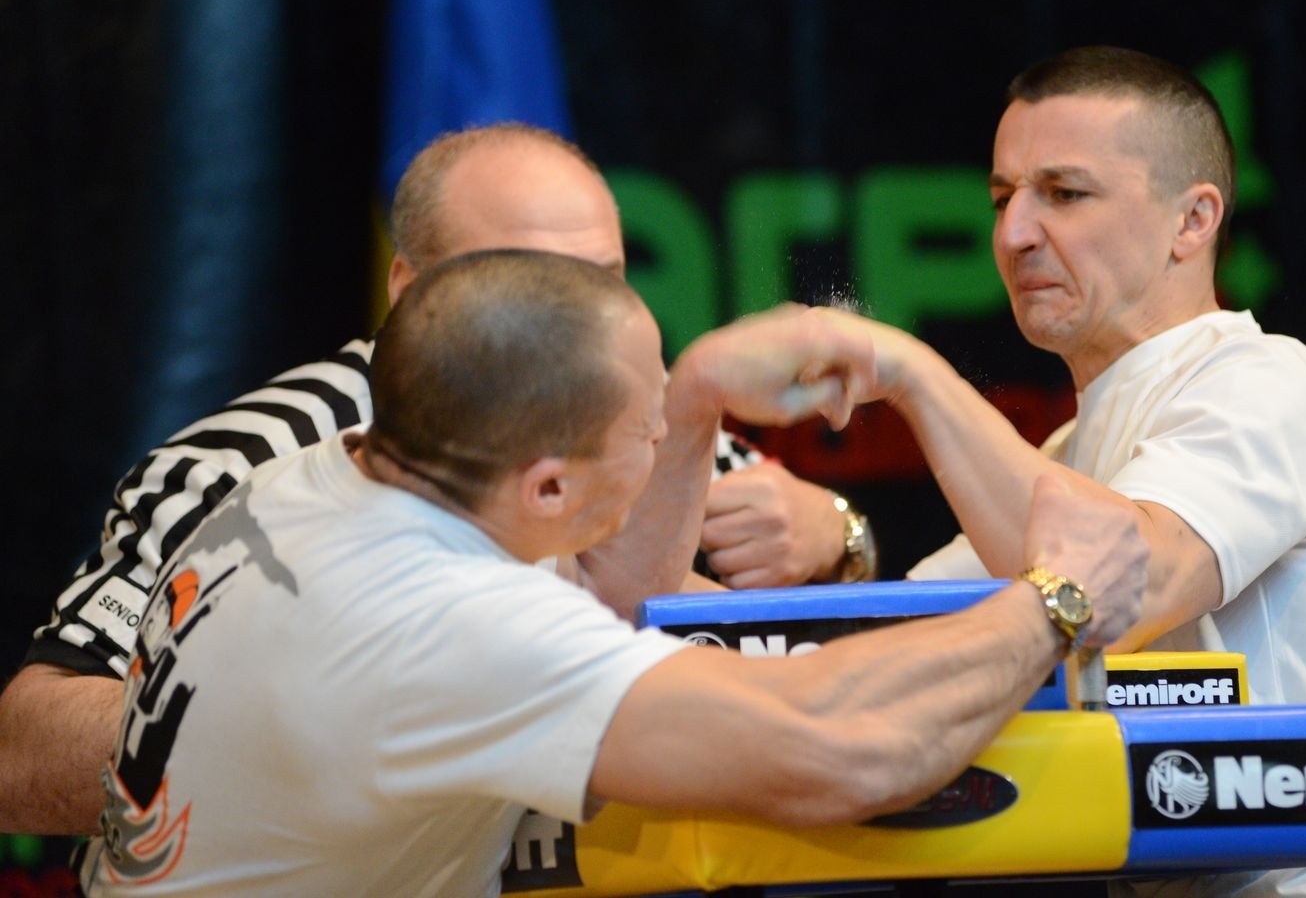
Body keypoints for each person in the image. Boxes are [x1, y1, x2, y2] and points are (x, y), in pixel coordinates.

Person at [79, 250, 1147, 896]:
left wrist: (696, 395)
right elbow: (842, 751)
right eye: (646, 430)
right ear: (547, 489)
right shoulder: (449, 624)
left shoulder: (322, 478)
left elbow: (612, 600)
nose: (664, 444)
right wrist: (1058, 600)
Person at [0, 123, 873, 837]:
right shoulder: (242, 466)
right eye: (525, 290)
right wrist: (309, 715)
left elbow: (793, 647)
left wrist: (836, 536)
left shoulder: (647, 411)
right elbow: (22, 759)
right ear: (412, 291)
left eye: (600, 286)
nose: (574, 336)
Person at [824, 46, 1306, 897]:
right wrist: (832, 542)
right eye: (1002, 198)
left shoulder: (1269, 382)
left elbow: (1113, 590)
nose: (1013, 235)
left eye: (1064, 194)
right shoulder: (1071, 452)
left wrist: (914, 377)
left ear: (1193, 221)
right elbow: (907, 635)